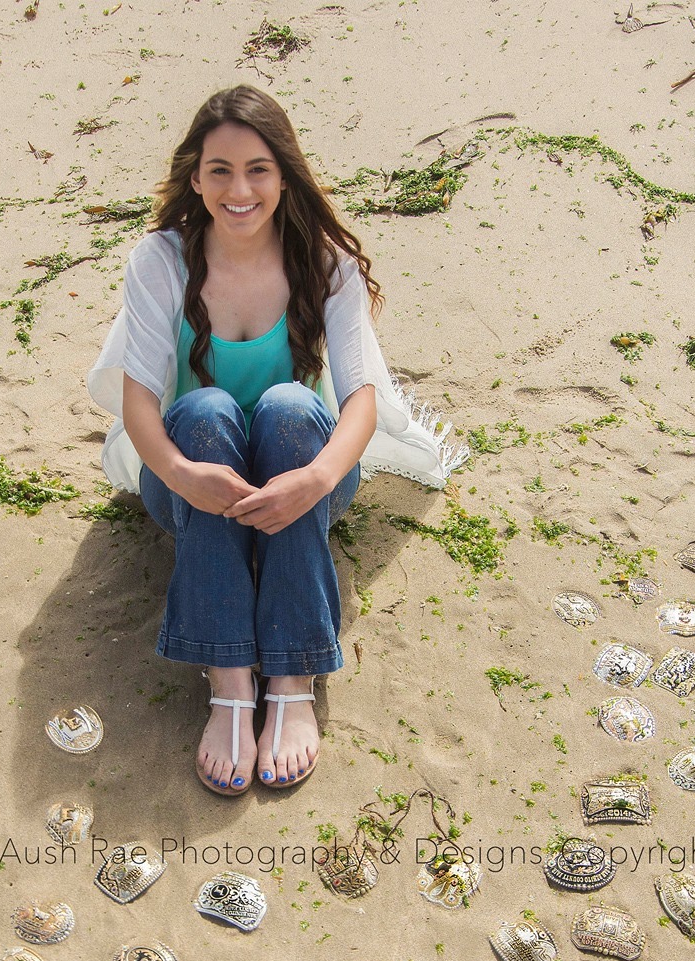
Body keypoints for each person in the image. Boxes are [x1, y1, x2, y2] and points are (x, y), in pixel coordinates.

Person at [86, 85, 464, 795]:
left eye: (258, 168)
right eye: (220, 170)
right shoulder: (161, 261)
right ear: (195, 179)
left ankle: (291, 679)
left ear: (284, 175)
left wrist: (317, 479)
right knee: (201, 409)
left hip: (305, 475)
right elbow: (140, 400)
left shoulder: (325, 264)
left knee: (292, 405)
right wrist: (178, 472)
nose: (239, 189)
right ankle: (229, 681)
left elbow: (359, 400)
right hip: (190, 484)